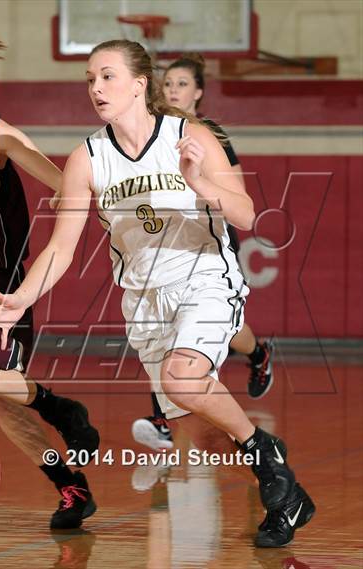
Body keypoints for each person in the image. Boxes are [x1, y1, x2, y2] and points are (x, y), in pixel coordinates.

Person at [0, 39, 315, 547]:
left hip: (204, 280)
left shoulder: (188, 135)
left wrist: (201, 184)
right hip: (145, 305)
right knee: (206, 437)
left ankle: (266, 455)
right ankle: (285, 492)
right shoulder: (88, 157)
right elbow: (62, 249)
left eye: (107, 76)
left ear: (138, 84)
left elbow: (244, 214)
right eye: (89, 78)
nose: (95, 88)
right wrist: (21, 297)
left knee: (181, 379)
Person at [0, 22, 99, 529]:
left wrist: (63, 188)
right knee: (1, 406)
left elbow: (57, 176)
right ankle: (72, 488)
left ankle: (60, 407)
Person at [132, 53, 274, 452]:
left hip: (212, 238)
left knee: (226, 332)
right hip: (168, 242)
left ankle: (258, 352)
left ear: (198, 92)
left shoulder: (209, 134)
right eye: (169, 83)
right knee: (159, 325)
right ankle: (162, 419)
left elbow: (238, 196)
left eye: (181, 83)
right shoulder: (150, 133)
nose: (173, 89)